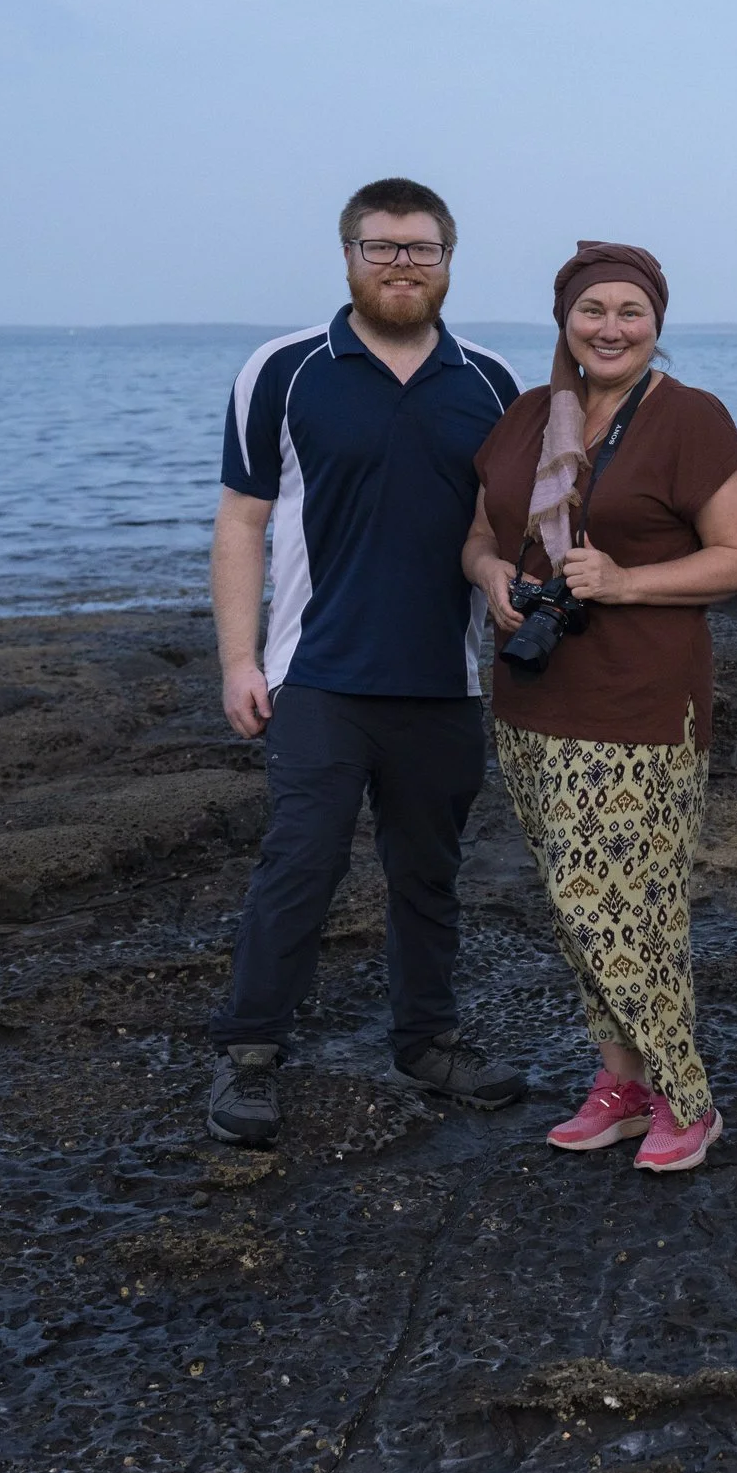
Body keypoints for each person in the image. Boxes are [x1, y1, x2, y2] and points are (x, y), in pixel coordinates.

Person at [204, 177, 533, 1147]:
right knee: (297, 867)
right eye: (382, 246)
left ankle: (426, 1040)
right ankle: (251, 1053)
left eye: (419, 248)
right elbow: (241, 521)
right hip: (317, 675)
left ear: (446, 260)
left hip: (443, 680)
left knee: (427, 876)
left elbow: (514, 528)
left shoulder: (491, 381)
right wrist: (236, 660)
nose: (401, 263)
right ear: (348, 254)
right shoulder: (285, 369)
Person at [463, 242, 737, 1174]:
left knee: (624, 908)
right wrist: (491, 574)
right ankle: (622, 1085)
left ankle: (689, 1098)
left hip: (639, 704)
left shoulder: (691, 419)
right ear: (565, 319)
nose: (610, 327)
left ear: (657, 323)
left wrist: (626, 581)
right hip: (528, 694)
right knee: (569, 903)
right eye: (591, 309)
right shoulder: (524, 418)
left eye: (630, 311)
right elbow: (479, 528)